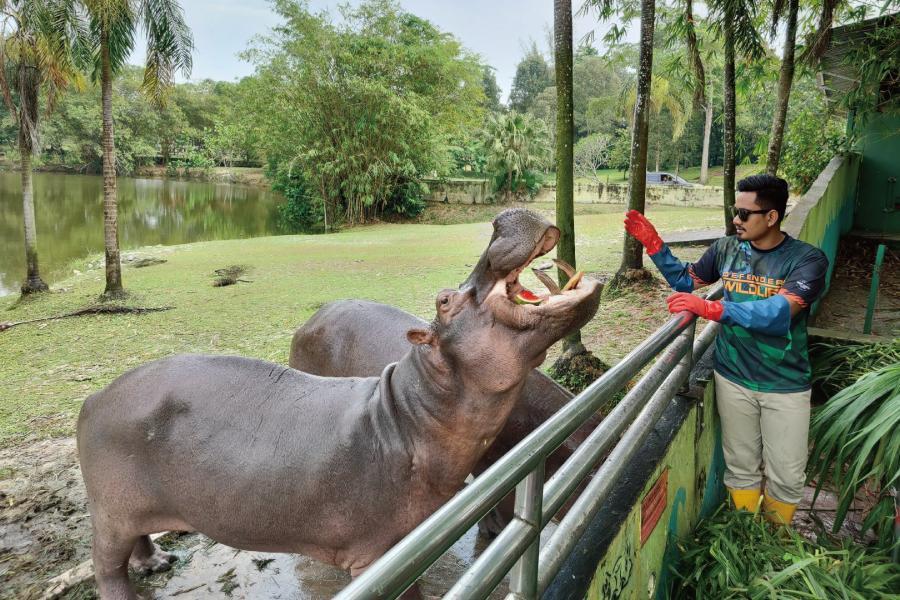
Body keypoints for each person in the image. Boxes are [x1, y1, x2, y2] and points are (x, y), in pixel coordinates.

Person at [624, 174, 829, 526]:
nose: (736, 219)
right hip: (732, 376)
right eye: (736, 210)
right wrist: (656, 247)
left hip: (785, 383)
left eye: (745, 213)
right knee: (741, 468)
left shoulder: (807, 260)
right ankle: (747, 535)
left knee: (787, 475)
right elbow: (689, 281)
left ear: (771, 217)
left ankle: (775, 540)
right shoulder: (726, 249)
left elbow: (779, 313)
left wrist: (713, 309)